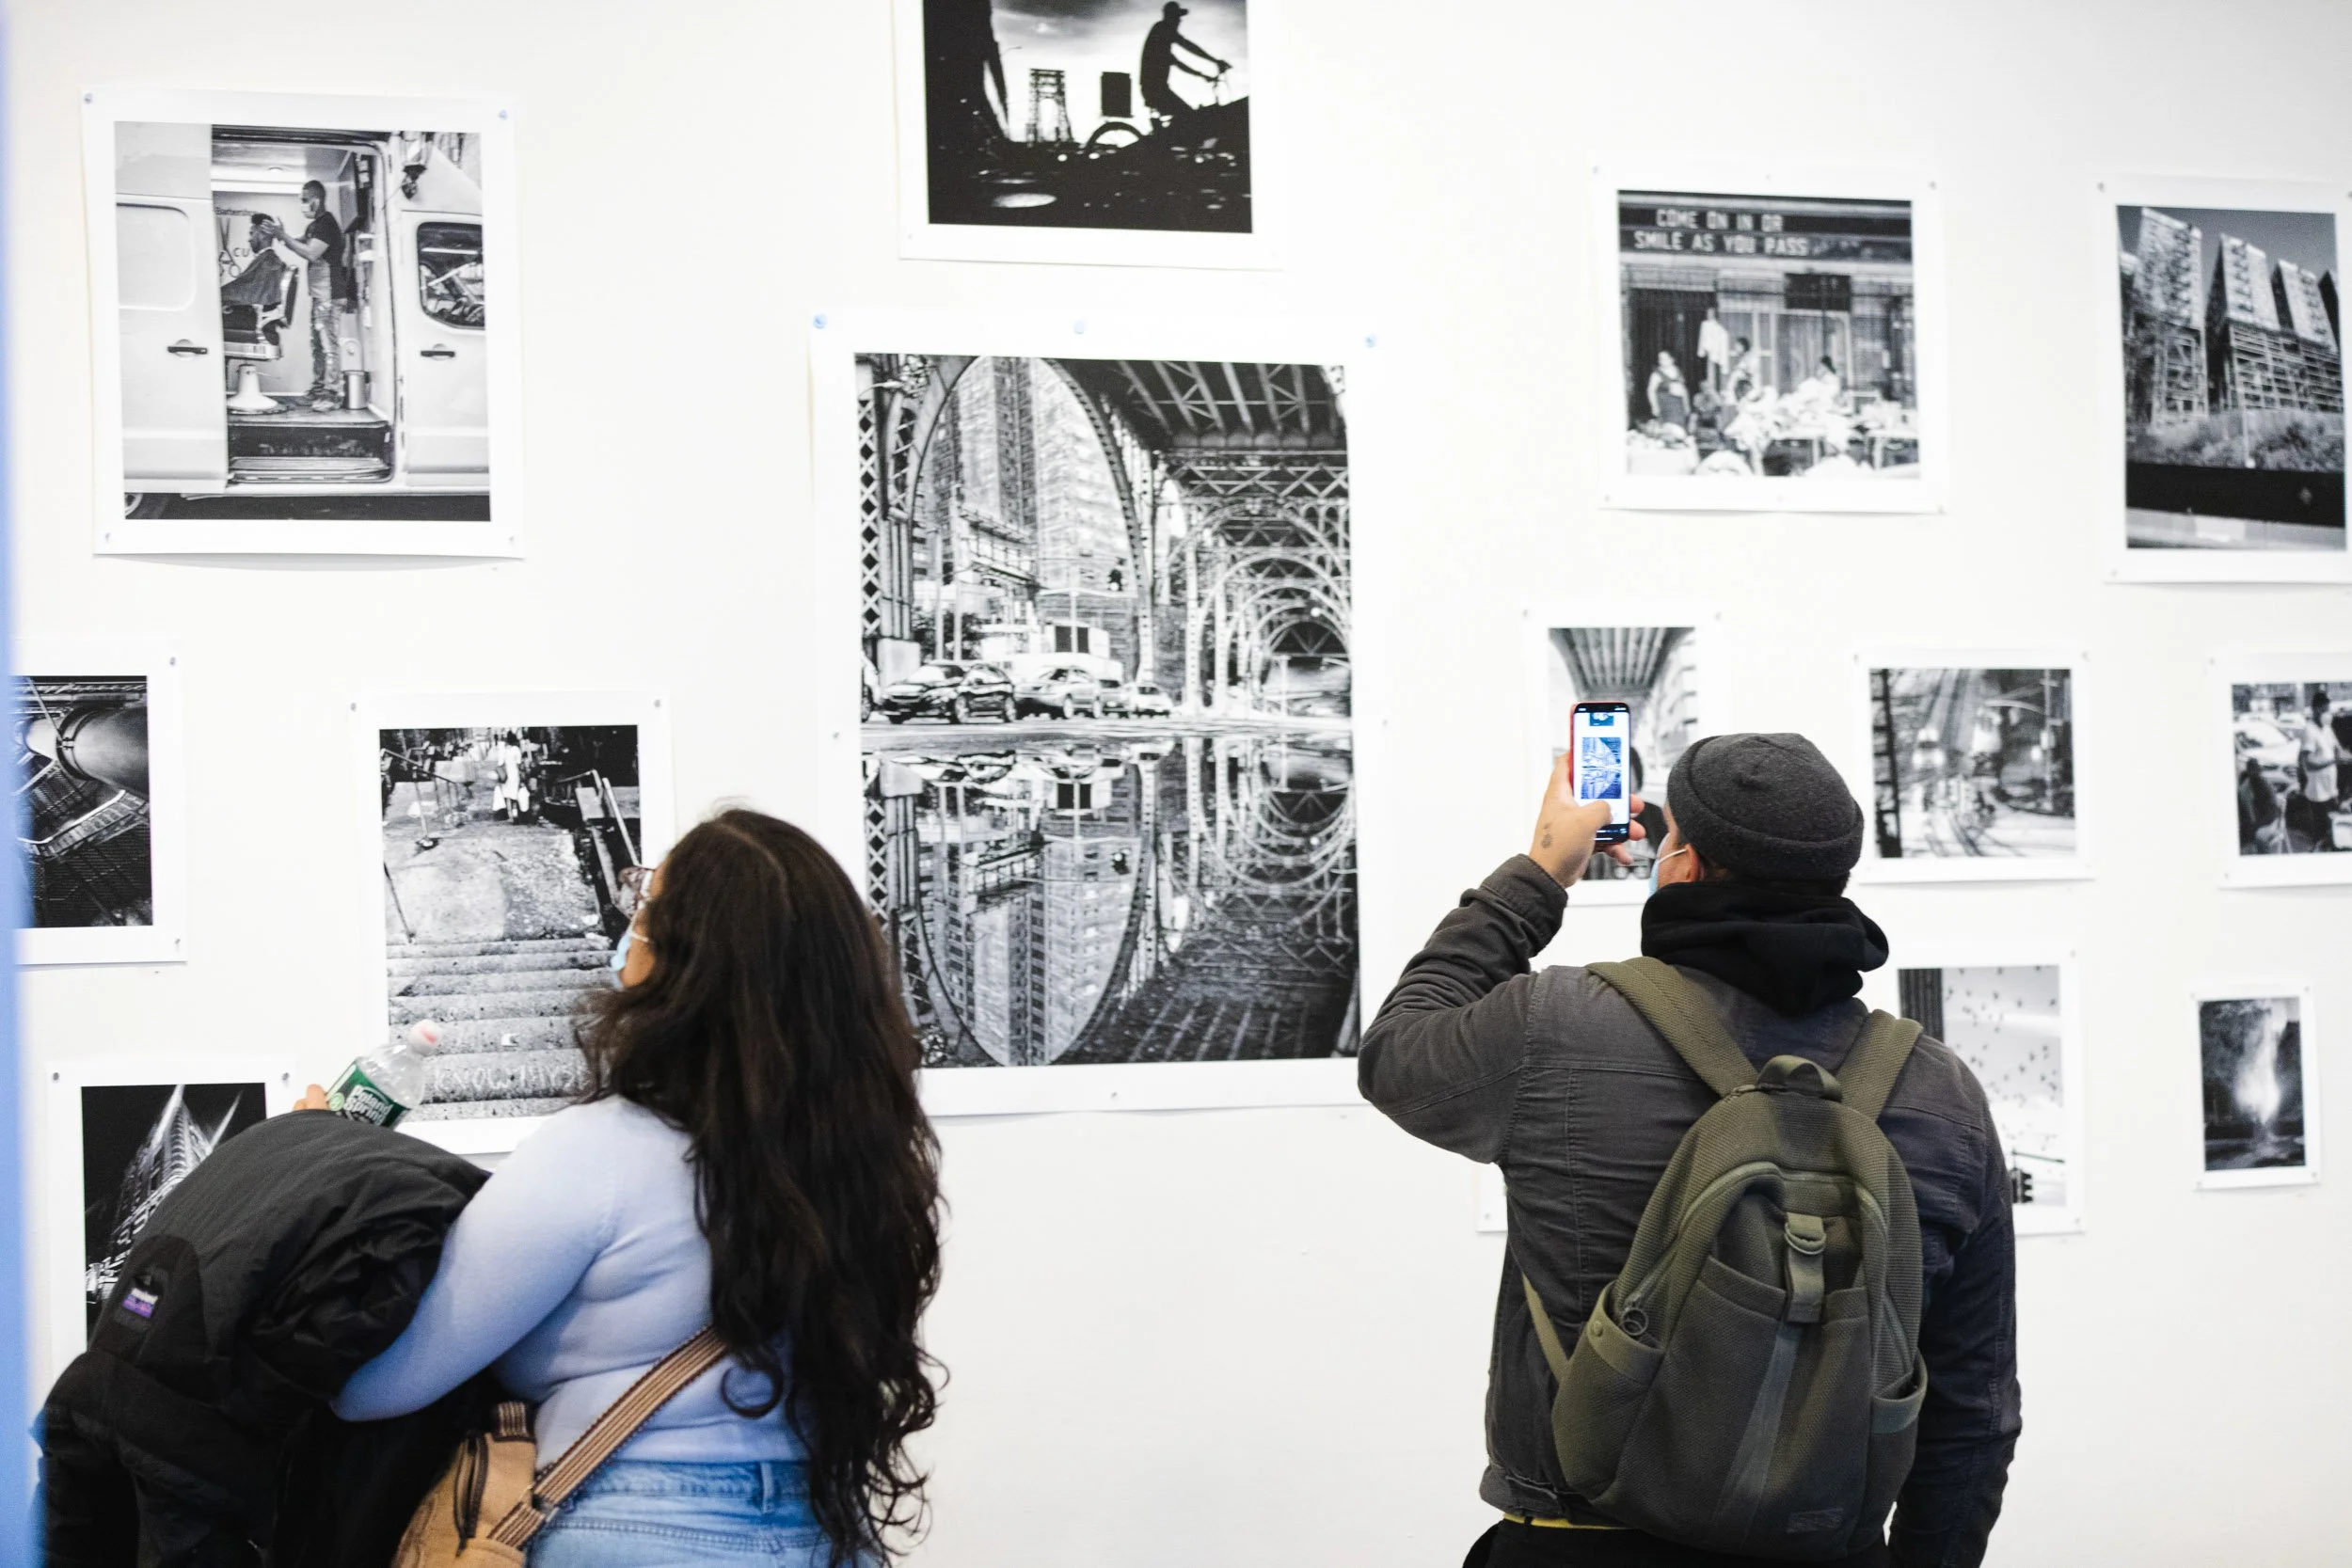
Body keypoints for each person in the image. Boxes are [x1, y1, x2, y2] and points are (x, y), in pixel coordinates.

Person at [1360, 734, 2019, 1568]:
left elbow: (1397, 1050)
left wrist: (1542, 870)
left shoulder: (1554, 1027)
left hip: (1577, 1547)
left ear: (1685, 864)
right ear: (1838, 882)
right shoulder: (1942, 1095)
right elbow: (1973, 1409)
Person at [328, 810, 946, 1566]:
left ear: (684, 959)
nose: (633, 919)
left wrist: (317, 1154)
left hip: (633, 1528)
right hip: (828, 1530)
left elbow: (378, 1386)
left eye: (647, 901)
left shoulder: (601, 1151)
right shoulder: (864, 1163)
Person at [260, 180, 353, 412]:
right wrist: (281, 235)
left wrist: (283, 235)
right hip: (319, 294)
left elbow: (311, 253)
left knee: (328, 345)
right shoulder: (315, 226)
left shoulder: (327, 224)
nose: (302, 204)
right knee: (318, 345)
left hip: (330, 294)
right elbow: (299, 243)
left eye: (304, 199)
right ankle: (319, 389)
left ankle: (332, 394)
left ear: (316, 200)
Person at [1139, 1, 1230, 122]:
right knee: (1189, 117)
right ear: (1170, 17)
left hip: (1154, 89)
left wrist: (1202, 75)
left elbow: (1179, 64)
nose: (1179, 21)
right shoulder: (1163, 30)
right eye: (1177, 17)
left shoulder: (1161, 43)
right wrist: (1215, 61)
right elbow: (1188, 46)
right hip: (1156, 90)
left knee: (1185, 118)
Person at [1644, 351, 1690, 430]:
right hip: (1664, 406)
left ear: (1672, 359)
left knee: (1680, 428)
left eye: (1665, 358)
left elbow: (1684, 390)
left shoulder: (1678, 371)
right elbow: (1651, 391)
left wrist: (1686, 405)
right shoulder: (1656, 374)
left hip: (1678, 406)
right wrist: (1654, 406)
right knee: (1667, 429)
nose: (1662, 361)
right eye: (1660, 359)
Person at [1696, 308, 1731, 394]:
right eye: (1708, 312)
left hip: (1715, 353)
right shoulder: (1705, 324)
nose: (1709, 314)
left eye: (1711, 313)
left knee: (1714, 374)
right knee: (1708, 373)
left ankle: (1714, 391)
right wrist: (1702, 351)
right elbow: (1702, 338)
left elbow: (1721, 338)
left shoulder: (1718, 326)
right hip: (1707, 352)